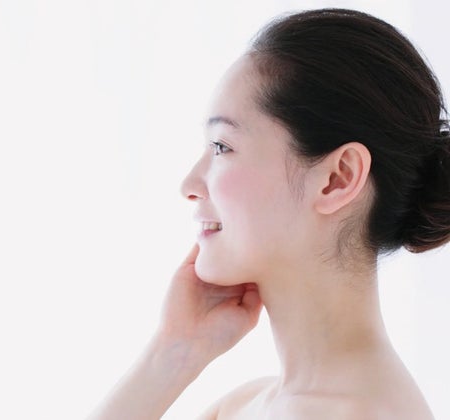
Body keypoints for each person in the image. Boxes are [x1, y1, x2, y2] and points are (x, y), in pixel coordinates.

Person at [87, 8, 447, 420]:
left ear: (338, 179)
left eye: (222, 147)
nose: (189, 184)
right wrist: (174, 352)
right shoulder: (246, 404)